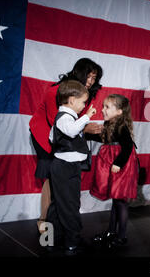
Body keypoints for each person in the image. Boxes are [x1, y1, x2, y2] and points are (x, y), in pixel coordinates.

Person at [29, 58, 103, 233]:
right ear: (78, 72)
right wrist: (85, 128)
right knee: (51, 175)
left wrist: (88, 129)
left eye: (94, 78)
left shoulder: (84, 93)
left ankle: (60, 220)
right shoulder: (55, 91)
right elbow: (59, 124)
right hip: (44, 134)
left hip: (67, 136)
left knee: (63, 179)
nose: (91, 81)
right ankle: (44, 220)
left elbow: (76, 123)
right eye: (89, 76)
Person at [46, 80, 97, 256]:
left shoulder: (64, 118)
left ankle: (52, 239)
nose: (84, 106)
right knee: (69, 204)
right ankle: (72, 242)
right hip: (65, 168)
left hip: (65, 166)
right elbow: (71, 131)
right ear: (71, 100)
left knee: (59, 204)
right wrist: (86, 117)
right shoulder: (65, 118)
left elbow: (52, 138)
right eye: (83, 102)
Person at [89, 94, 139, 249]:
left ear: (119, 112)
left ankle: (122, 235)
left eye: (107, 107)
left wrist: (118, 163)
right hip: (113, 163)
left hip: (122, 165)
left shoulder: (122, 127)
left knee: (121, 201)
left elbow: (128, 146)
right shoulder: (109, 124)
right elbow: (105, 139)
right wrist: (85, 134)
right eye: (103, 106)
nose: (103, 109)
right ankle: (111, 231)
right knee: (115, 199)